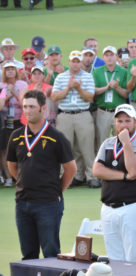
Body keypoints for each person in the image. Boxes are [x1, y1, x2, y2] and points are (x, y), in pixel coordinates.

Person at [7, 90, 76, 260]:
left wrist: (58, 189)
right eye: (24, 107)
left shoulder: (56, 137)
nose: (27, 110)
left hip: (48, 203)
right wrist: (24, 182)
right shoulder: (16, 136)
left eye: (32, 106)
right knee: (28, 254)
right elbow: (12, 166)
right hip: (22, 203)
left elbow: (71, 168)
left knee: (51, 253)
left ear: (43, 108)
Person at [92, 104, 136, 263]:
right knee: (114, 259)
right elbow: (97, 170)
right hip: (109, 207)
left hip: (133, 207)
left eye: (127, 121)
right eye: (120, 121)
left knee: (134, 258)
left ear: (135, 122)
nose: (123, 125)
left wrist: (126, 144)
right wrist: (124, 176)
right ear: (115, 122)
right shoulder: (107, 143)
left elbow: (135, 171)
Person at [51, 50, 99, 188]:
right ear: (69, 62)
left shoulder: (88, 77)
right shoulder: (61, 77)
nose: (76, 64)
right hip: (65, 115)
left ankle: (91, 176)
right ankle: (69, 177)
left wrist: (78, 88)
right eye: (73, 61)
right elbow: (55, 97)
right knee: (66, 148)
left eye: (78, 61)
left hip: (83, 113)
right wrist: (68, 88)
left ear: (81, 62)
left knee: (86, 147)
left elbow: (90, 97)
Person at [92, 46, 129, 149]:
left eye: (111, 55)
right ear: (103, 57)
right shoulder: (97, 71)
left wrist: (117, 88)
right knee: (102, 142)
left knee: (122, 139)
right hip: (103, 111)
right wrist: (106, 88)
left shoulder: (123, 72)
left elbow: (126, 94)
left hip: (119, 112)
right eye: (107, 55)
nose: (109, 58)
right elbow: (93, 91)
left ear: (116, 57)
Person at [0, 61, 28, 187]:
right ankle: (8, 178)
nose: (10, 71)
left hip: (19, 121)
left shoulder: (22, 84)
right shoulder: (1, 85)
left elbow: (25, 103)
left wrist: (15, 93)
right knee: (5, 150)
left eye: (12, 69)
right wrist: (7, 95)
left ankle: (21, 177)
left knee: (22, 149)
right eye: (7, 69)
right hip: (6, 122)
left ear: (16, 71)